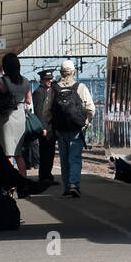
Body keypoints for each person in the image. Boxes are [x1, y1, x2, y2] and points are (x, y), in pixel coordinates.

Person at [42, 59, 95, 198]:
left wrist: (53, 123)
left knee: (64, 160)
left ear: (60, 73)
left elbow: (46, 111)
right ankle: (74, 184)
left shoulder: (54, 89)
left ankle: (66, 187)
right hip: (76, 130)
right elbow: (91, 109)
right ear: (74, 72)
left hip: (60, 130)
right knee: (75, 158)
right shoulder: (80, 87)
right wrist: (85, 123)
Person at [0, 53, 33, 178]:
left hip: (6, 118)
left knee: (7, 153)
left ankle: (10, 183)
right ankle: (23, 181)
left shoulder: (2, 81)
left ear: (5, 67)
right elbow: (28, 100)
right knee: (18, 153)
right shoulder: (26, 81)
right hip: (20, 117)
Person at [32, 68, 57, 185]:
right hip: (45, 128)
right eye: (47, 79)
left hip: (52, 127)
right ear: (41, 80)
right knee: (45, 152)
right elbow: (38, 111)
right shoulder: (38, 92)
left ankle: (48, 175)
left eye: (51, 79)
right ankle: (44, 176)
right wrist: (43, 127)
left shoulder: (51, 91)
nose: (50, 81)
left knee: (50, 152)